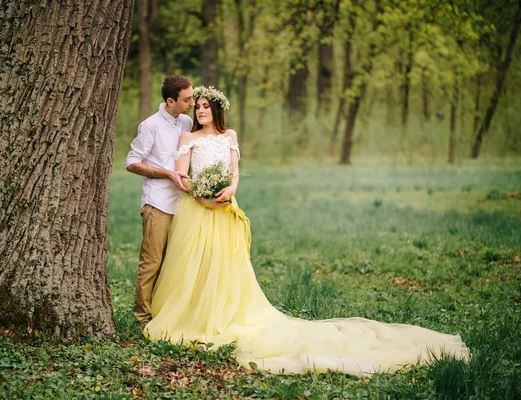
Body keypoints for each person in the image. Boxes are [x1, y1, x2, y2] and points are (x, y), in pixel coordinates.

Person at [143, 86, 469, 377]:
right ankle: (193, 316)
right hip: (197, 210)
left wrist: (230, 189)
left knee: (225, 266)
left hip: (226, 207)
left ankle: (223, 314)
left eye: (205, 106)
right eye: (196, 106)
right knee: (193, 265)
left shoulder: (230, 137)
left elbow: (235, 170)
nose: (200, 112)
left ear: (217, 110)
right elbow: (182, 177)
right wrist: (201, 195)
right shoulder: (188, 139)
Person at [125, 74, 195, 323]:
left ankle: (166, 313)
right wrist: (166, 173)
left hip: (184, 205)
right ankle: (142, 317)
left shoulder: (186, 122)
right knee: (152, 262)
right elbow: (132, 163)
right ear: (170, 100)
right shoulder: (151, 125)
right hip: (158, 203)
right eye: (187, 99)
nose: (192, 103)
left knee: (174, 263)